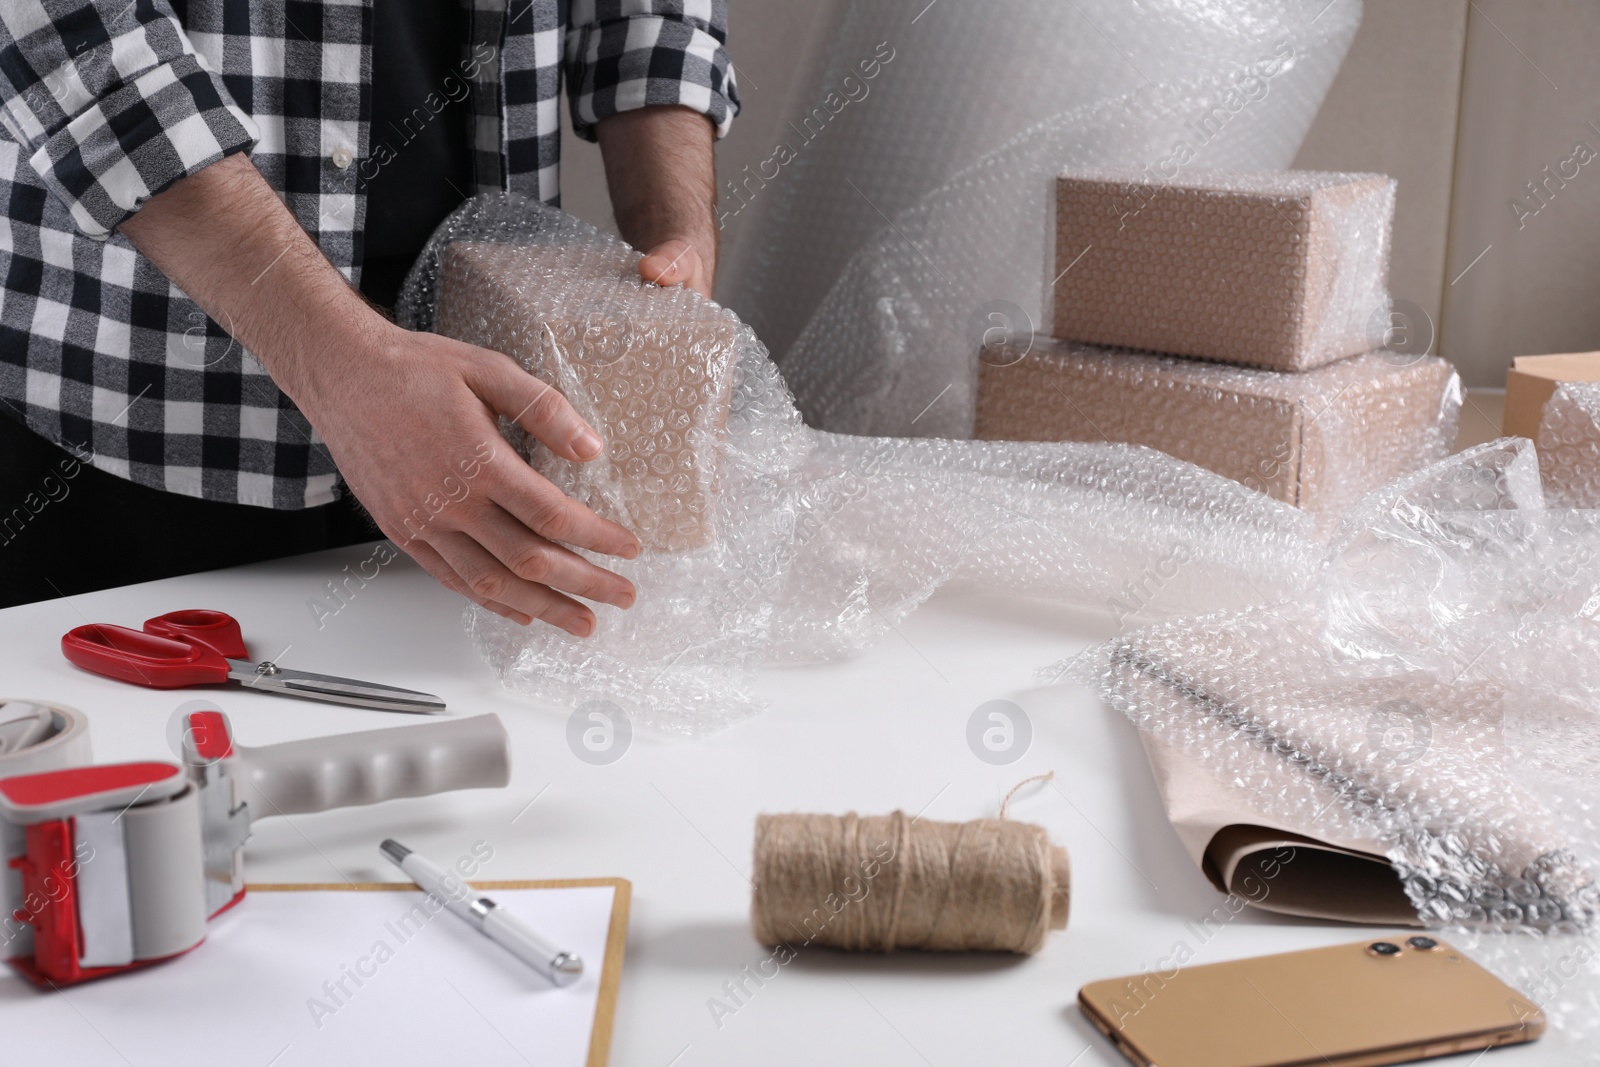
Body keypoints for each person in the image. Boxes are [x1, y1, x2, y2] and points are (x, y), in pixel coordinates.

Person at [0, 0, 738, 637]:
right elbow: (72, 37)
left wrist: (675, 232)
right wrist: (341, 362)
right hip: (149, 405)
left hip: (488, 411)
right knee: (140, 778)